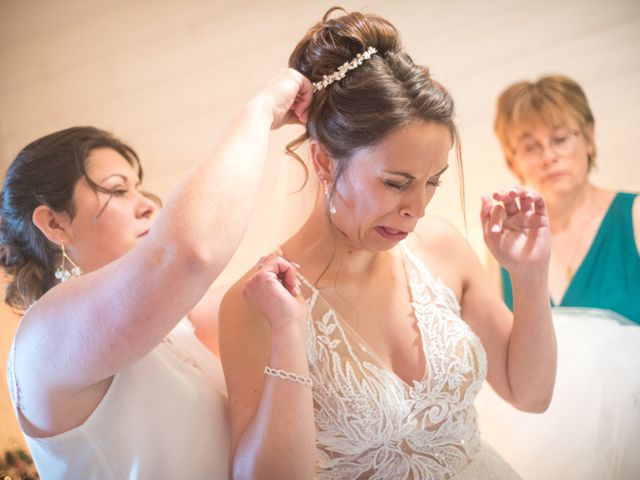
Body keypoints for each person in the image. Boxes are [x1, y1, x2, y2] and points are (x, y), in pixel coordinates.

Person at [219, 8, 557, 479]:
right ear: (322, 161)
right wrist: (288, 336)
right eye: (396, 183)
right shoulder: (257, 303)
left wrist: (529, 275)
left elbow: (531, 394)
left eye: (432, 182)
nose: (417, 209)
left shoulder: (442, 247)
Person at [1, 68, 312, 479]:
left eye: (137, 187)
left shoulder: (176, 327)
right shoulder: (44, 339)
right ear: (55, 224)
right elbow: (190, 253)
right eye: (116, 189)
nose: (147, 203)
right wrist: (260, 111)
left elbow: (293, 275)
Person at [475, 74, 640, 479]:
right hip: (533, 437)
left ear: (588, 139)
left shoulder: (633, 218)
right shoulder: (503, 248)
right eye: (530, 146)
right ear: (513, 161)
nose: (548, 156)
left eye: (560, 138)